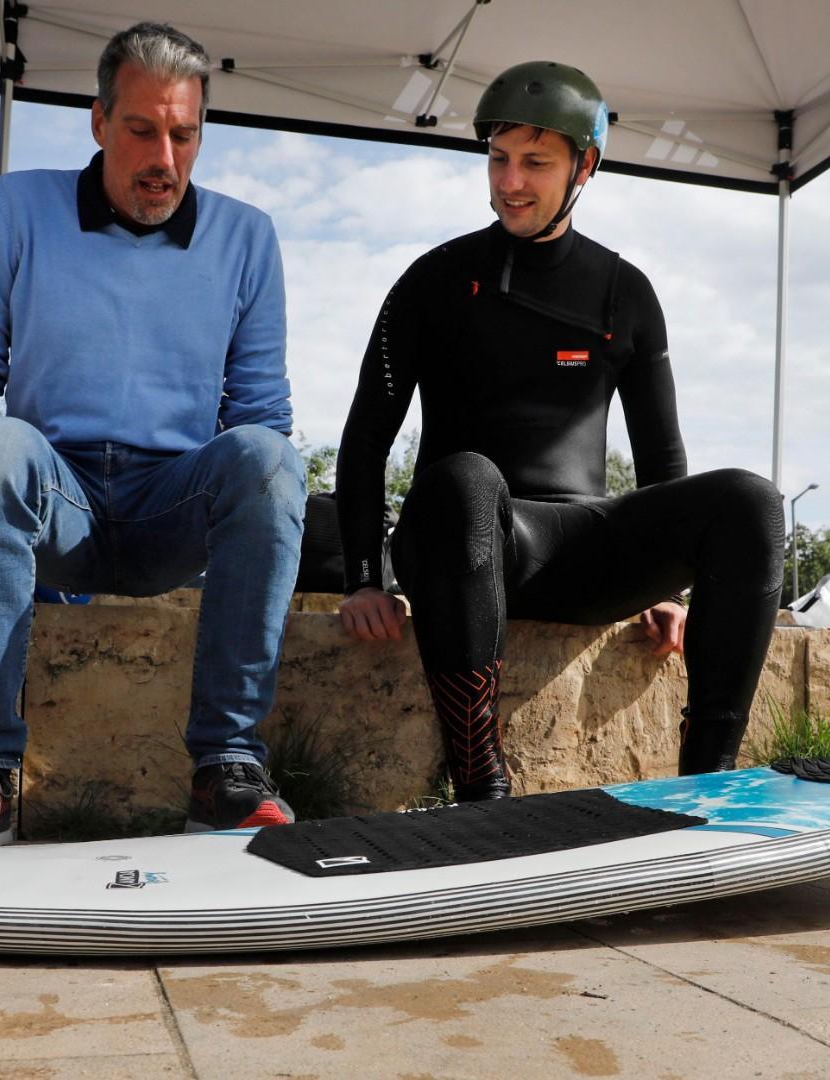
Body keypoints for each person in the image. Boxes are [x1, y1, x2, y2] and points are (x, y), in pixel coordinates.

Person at [0, 22, 305, 848]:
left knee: (269, 458)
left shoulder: (247, 237)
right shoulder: (17, 208)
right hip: (57, 500)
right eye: (142, 130)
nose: (165, 156)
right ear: (98, 122)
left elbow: (260, 413)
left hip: (173, 504)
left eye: (184, 134)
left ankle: (226, 768)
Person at [335, 61, 784, 800]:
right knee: (467, 476)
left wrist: (671, 584)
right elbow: (365, 438)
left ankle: (707, 788)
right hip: (465, 542)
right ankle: (481, 788)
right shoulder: (433, 280)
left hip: (581, 547)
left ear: (586, 166)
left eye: (535, 163)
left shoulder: (623, 292)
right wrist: (362, 578)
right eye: (498, 158)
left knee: (752, 501)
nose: (510, 181)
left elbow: (660, 455)